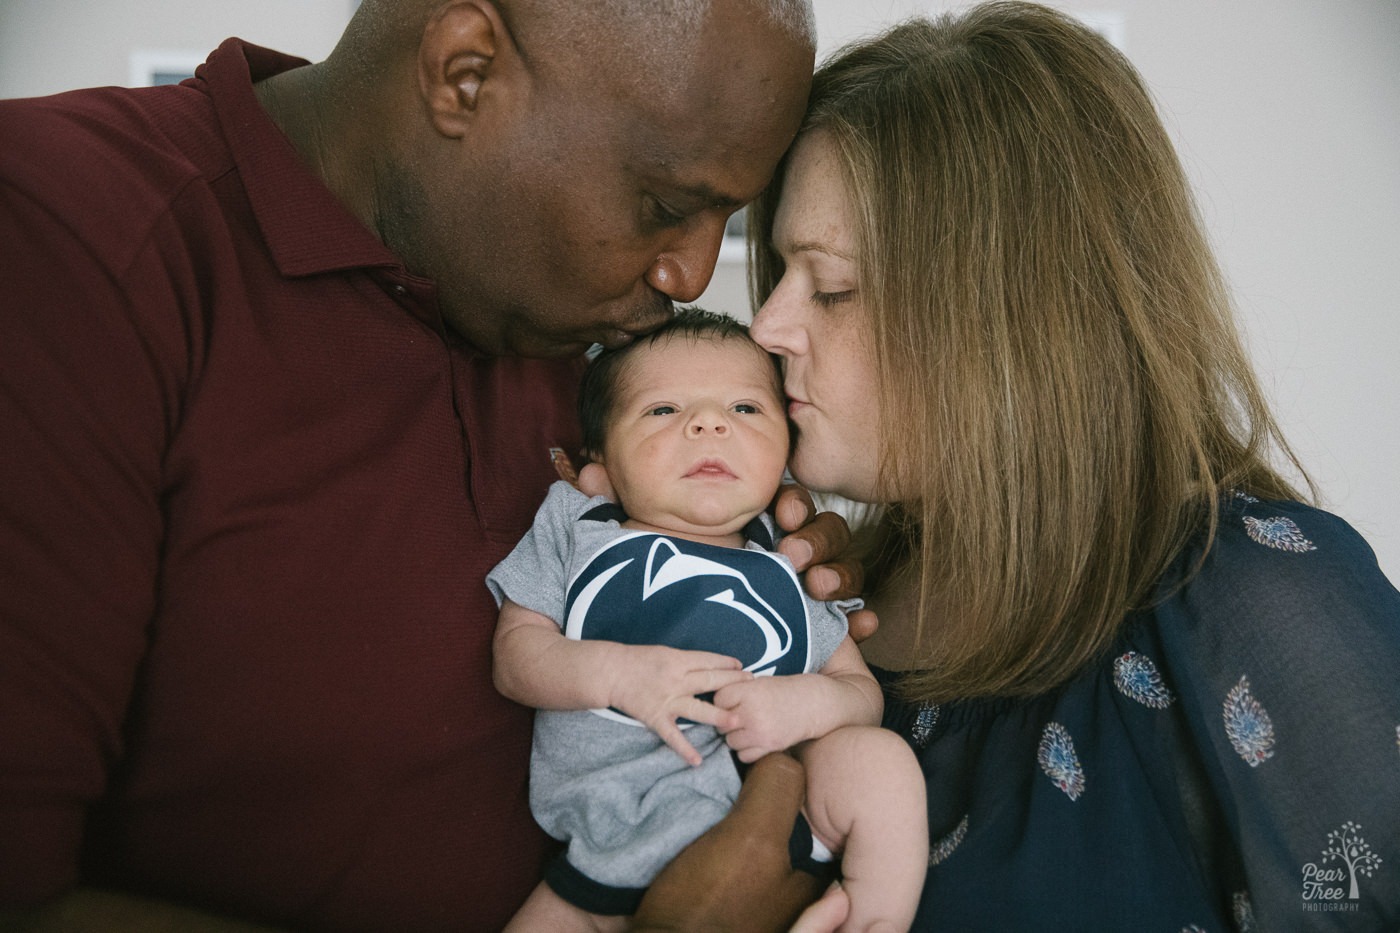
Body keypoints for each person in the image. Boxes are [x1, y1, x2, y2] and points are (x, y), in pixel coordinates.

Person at [0, 1, 866, 929]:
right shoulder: (67, 233)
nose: (692, 278)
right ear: (465, 74)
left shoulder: (560, 319)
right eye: (665, 205)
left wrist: (770, 582)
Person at [737, 3, 1400, 930]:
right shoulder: (813, 602)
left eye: (833, 286)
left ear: (1011, 323)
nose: (768, 326)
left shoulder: (1258, 604)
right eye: (783, 273)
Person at [488, 310, 926, 932]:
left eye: (746, 410)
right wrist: (618, 676)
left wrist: (803, 705)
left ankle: (873, 916)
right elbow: (516, 656)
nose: (709, 422)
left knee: (878, 763)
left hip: (772, 811)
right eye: (663, 410)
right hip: (608, 849)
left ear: (787, 457)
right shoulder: (579, 526)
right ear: (602, 460)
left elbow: (860, 694)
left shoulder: (788, 561)